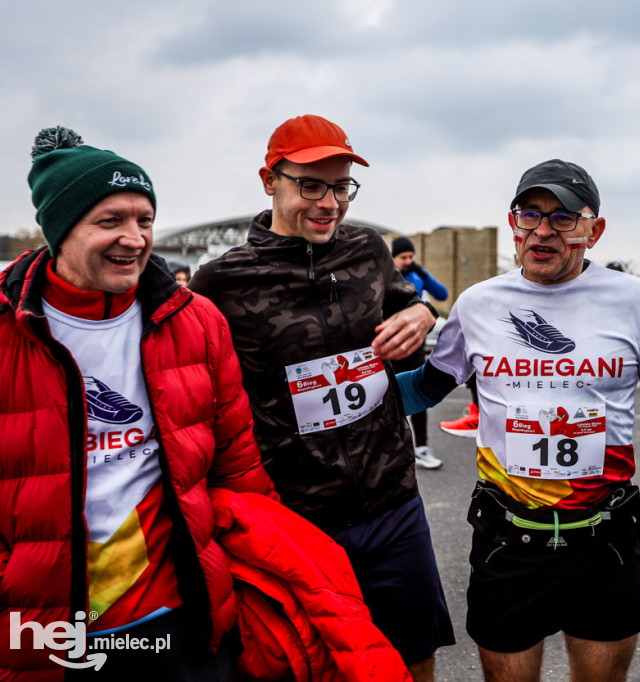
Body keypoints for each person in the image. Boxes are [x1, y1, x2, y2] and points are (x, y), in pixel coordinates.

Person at [398, 159, 640, 682]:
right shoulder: (478, 305)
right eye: (530, 216)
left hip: (605, 539)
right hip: (507, 538)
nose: (543, 231)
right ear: (513, 222)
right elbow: (424, 390)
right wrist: (341, 383)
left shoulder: (637, 302)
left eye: (563, 218)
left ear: (594, 230)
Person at [0, 126, 277, 679]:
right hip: (46, 630)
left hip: (177, 616)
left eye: (144, 220)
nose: (134, 237)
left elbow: (239, 466)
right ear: (59, 230)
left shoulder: (195, 321)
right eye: (110, 221)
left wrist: (258, 586)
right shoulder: (9, 332)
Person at [189, 114, 454, 681]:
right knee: (316, 668)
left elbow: (405, 309)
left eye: (341, 187)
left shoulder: (367, 250)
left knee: (413, 660)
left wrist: (419, 314)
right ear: (270, 180)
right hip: (299, 519)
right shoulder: (220, 282)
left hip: (394, 502)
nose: (329, 202)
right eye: (311, 184)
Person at [391, 236, 448, 469]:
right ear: (393, 258)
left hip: (415, 346)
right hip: (391, 348)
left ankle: (422, 448)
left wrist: (424, 274)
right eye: (404, 257)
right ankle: (393, 451)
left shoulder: (417, 275)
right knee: (390, 397)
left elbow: (442, 295)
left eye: (411, 256)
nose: (408, 260)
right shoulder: (384, 275)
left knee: (419, 393)